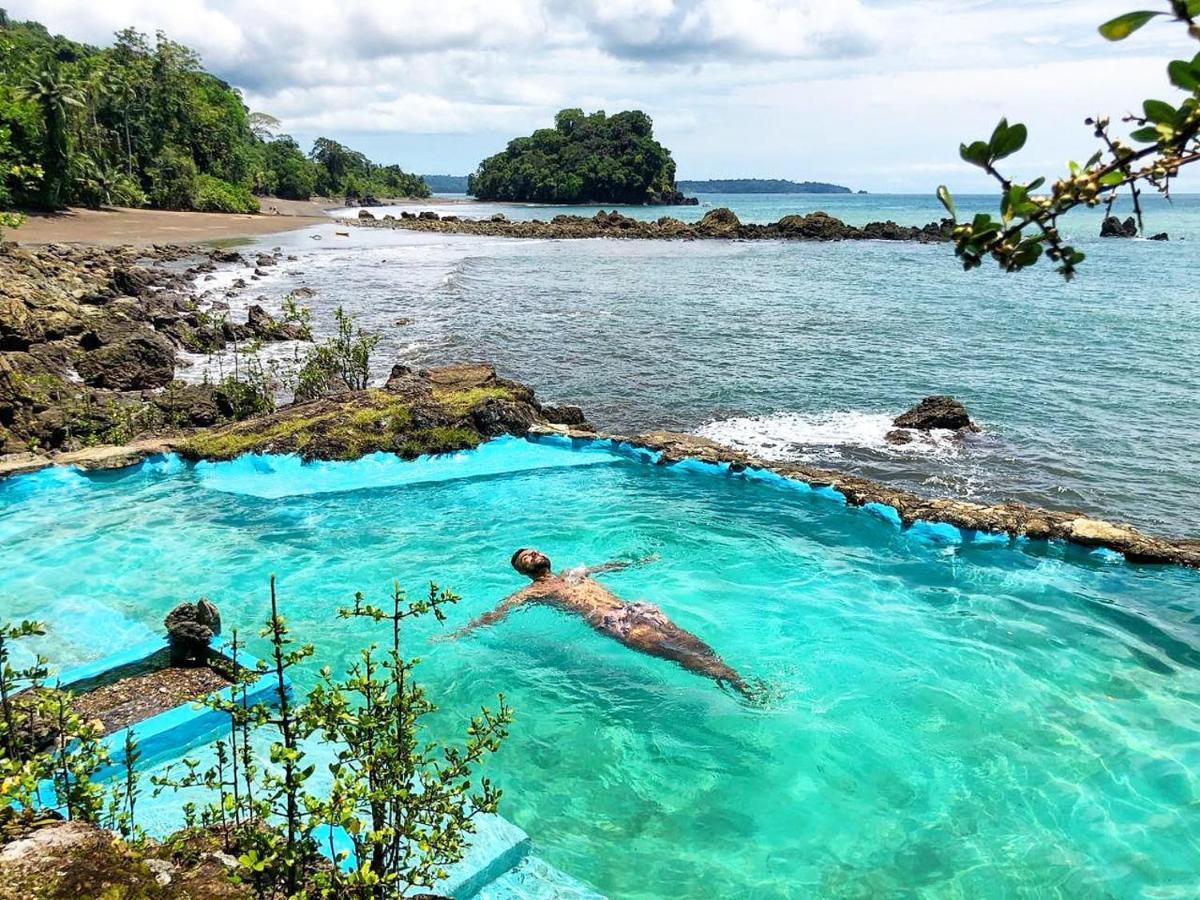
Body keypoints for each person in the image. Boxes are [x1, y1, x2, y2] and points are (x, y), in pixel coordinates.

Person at [443, 548, 752, 698]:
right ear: (523, 570)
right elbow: (495, 613)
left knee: (691, 643)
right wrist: (461, 632)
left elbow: (610, 566)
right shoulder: (532, 591)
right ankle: (733, 685)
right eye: (525, 557)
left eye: (534, 550)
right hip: (615, 623)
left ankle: (732, 675)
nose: (532, 554)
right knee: (675, 653)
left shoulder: (573, 573)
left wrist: (642, 560)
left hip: (636, 608)